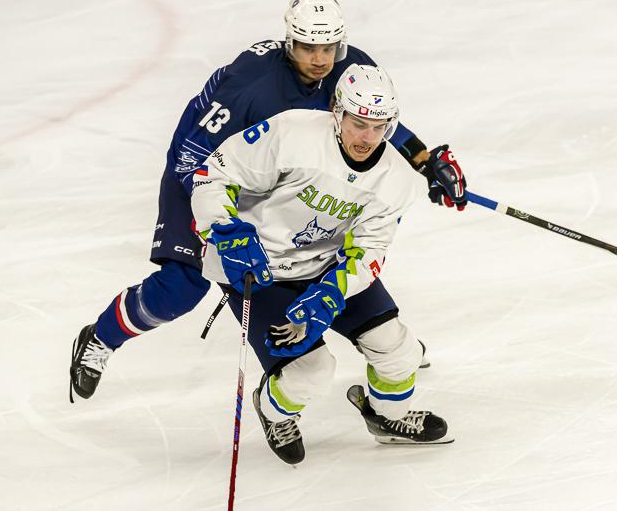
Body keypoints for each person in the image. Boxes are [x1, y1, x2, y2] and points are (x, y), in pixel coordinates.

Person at [69, 0, 467, 402]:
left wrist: (423, 160)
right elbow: (194, 159)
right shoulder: (251, 86)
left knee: (340, 247)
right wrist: (221, 225)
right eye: (309, 47)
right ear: (289, 41)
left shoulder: (351, 67)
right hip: (207, 172)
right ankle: (102, 338)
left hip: (271, 179)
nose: (320, 59)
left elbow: (367, 118)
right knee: (182, 286)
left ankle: (385, 344)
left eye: (329, 46)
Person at [192, 64, 454, 465]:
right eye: (358, 123)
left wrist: (333, 291)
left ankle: (387, 416)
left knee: (397, 351)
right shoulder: (293, 134)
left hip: (326, 268)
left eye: (379, 126)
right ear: (338, 112)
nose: (368, 137)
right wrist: (224, 228)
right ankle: (273, 409)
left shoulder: (397, 180)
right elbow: (215, 173)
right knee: (310, 373)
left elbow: (369, 249)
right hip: (259, 269)